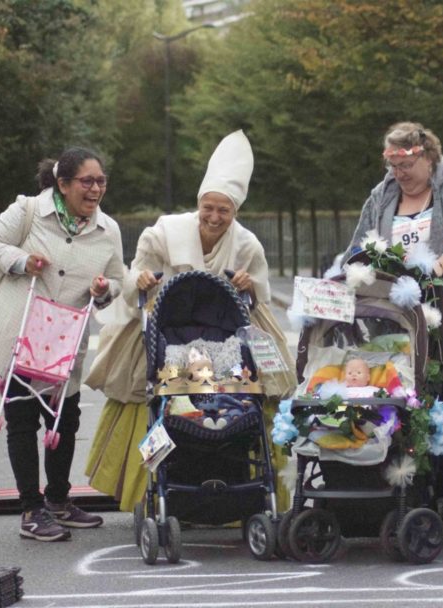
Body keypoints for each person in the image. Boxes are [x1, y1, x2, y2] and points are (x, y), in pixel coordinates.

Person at [84, 130, 297, 513]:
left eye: (224, 211)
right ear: (199, 205)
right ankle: (153, 488)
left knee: (256, 385)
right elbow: (135, 274)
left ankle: (245, 487)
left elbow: (259, 292)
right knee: (145, 391)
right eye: (208, 208)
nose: (215, 217)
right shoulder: (165, 231)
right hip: (167, 324)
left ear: (235, 212)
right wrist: (144, 280)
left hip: (227, 332)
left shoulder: (247, 244)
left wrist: (249, 285)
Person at [0, 147, 124, 541]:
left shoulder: (109, 230)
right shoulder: (29, 211)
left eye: (101, 181)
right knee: (22, 419)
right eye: (86, 181)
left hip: (67, 337)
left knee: (64, 419)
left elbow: (119, 279)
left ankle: (58, 501)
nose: (95, 189)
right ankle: (31, 509)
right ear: (63, 184)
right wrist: (22, 261)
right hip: (24, 330)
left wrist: (105, 289)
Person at [348, 121, 443, 503]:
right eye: (393, 167)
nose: (400, 175)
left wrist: (440, 265)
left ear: (428, 158)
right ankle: (408, 489)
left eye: (407, 167)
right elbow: (360, 247)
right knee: (403, 388)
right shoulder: (382, 196)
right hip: (395, 313)